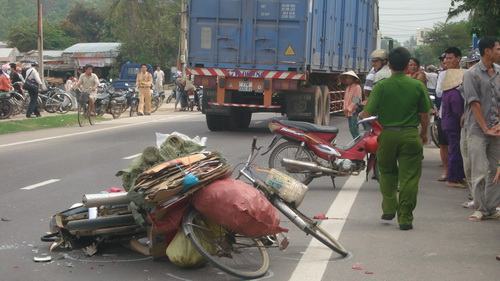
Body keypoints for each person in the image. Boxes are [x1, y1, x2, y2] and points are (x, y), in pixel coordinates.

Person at [361, 47, 431, 230]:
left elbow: (367, 112)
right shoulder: (417, 86)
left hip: (388, 135)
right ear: (408, 66)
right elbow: (425, 114)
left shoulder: (382, 86)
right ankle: (405, 218)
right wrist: (424, 133)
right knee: (409, 177)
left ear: (389, 65)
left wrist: (362, 113)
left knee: (387, 171)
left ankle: (389, 206)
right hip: (410, 134)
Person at [462, 37, 500, 221]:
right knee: (479, 169)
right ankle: (480, 207)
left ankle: (491, 207)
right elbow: (474, 103)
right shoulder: (471, 74)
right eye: (498, 49)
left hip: (497, 129)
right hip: (477, 129)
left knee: (496, 168)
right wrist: (485, 128)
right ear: (487, 51)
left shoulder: (499, 72)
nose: (499, 52)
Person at [441, 69, 466, 188]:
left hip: (447, 123)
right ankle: (453, 178)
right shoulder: (455, 94)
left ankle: (457, 177)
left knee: (454, 150)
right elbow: (457, 112)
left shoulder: (447, 92)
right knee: (456, 151)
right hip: (454, 125)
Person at [340, 70, 362, 139]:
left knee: (354, 129)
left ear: (353, 79)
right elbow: (345, 99)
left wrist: (349, 108)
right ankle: (357, 143)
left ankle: (358, 143)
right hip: (349, 111)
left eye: (349, 78)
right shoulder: (348, 88)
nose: (347, 79)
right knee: (351, 129)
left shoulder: (357, 87)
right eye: (347, 78)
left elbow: (356, 99)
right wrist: (345, 108)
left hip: (354, 111)